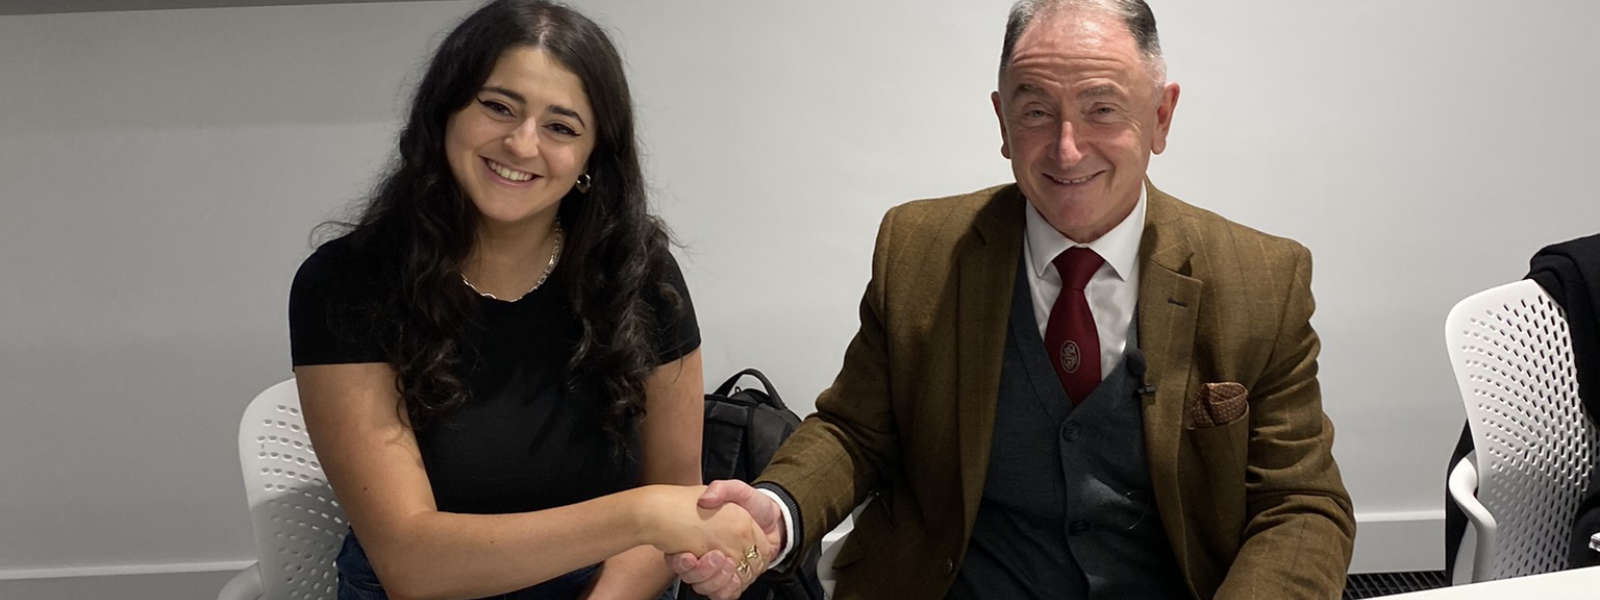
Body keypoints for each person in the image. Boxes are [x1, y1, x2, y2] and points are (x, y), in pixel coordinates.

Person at [671, 1, 1356, 598]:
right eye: (1036, 111)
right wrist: (778, 507)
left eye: (1102, 109)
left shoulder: (1262, 278)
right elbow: (856, 431)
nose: (1065, 148)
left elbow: (1299, 504)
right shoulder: (919, 250)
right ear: (1002, 121)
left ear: (1160, 116)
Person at [287, 2, 770, 598]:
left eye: (561, 127)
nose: (520, 144)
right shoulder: (345, 283)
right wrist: (640, 514)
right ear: (445, 113)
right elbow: (412, 565)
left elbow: (675, 500)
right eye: (497, 107)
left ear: (593, 159)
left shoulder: (640, 273)